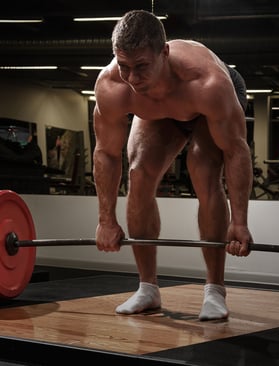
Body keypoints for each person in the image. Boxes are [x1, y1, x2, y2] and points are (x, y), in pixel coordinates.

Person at [93, 9, 254, 321]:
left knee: (203, 169)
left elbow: (237, 151)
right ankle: (147, 288)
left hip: (200, 101)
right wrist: (106, 220)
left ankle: (214, 290)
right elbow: (106, 153)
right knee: (138, 171)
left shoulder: (208, 83)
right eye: (125, 66)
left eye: (141, 66)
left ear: (163, 53)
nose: (133, 78)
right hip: (161, 110)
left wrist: (240, 221)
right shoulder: (113, 85)